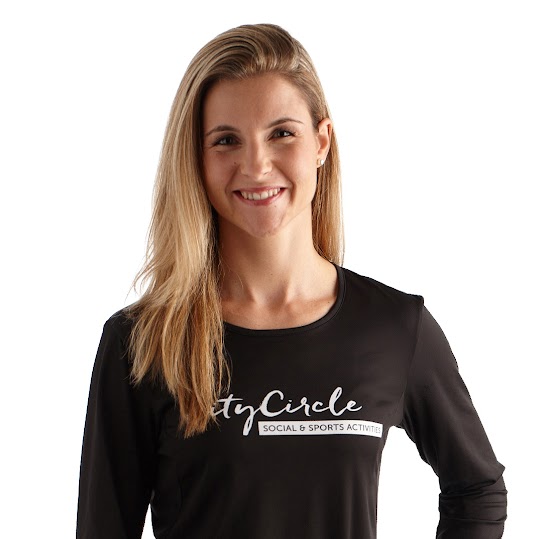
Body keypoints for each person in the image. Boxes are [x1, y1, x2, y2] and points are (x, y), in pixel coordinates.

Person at [76, 23, 507, 538]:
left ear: (321, 142)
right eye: (226, 140)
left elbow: (477, 490)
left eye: (281, 133)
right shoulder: (143, 341)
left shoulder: (394, 327)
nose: (256, 166)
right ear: (196, 159)